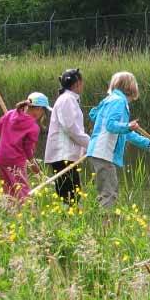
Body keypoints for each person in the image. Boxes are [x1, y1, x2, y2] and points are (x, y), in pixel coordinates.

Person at [86, 71, 150, 209]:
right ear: (130, 87)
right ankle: (106, 227)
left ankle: (106, 224)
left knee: (109, 190)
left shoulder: (111, 99)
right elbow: (111, 125)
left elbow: (124, 133)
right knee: (109, 193)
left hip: (98, 152)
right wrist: (127, 126)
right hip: (103, 152)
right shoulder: (118, 101)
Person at [0, 93, 51, 202]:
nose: (43, 113)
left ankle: (11, 212)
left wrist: (7, 138)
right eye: (43, 110)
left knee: (8, 189)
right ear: (38, 109)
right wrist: (34, 165)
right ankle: (28, 213)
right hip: (15, 160)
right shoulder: (33, 127)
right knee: (22, 190)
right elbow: (28, 150)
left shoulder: (10, 114)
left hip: (1, 157)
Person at [45, 68, 90, 202]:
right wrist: (90, 143)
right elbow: (71, 128)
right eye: (82, 82)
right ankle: (67, 219)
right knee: (69, 195)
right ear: (77, 84)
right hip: (63, 154)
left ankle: (68, 218)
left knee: (72, 194)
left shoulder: (69, 99)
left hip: (67, 155)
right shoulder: (67, 100)